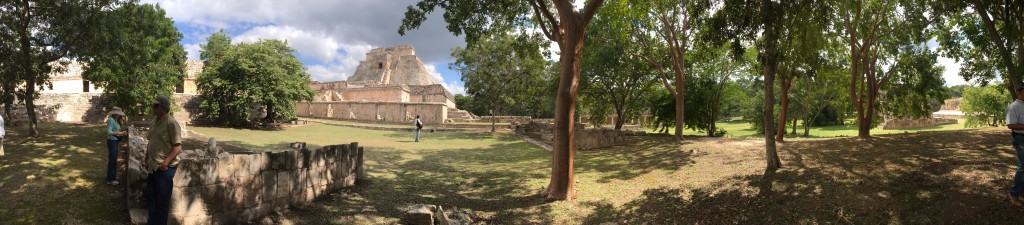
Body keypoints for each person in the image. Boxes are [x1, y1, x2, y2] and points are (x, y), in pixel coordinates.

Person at [145, 96, 182, 225]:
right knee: (151, 199)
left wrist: (165, 163)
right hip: (152, 167)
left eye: (154, 106)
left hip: (164, 170)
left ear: (161, 107)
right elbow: (151, 142)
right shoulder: (154, 122)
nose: (152, 108)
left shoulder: (171, 123)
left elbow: (177, 147)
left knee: (162, 203)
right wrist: (146, 159)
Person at [1006, 83, 1024, 206]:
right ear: (1019, 92)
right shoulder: (1013, 107)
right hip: (1020, 139)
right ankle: (1013, 193)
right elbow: (1010, 125)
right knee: (1023, 167)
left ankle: (1021, 192)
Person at [105, 107, 127, 185]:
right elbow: (109, 131)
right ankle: (110, 180)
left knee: (114, 159)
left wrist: (120, 132)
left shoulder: (115, 120)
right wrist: (120, 133)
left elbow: (115, 130)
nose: (119, 115)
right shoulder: (111, 120)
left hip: (115, 140)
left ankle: (112, 176)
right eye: (118, 113)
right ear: (115, 113)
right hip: (112, 141)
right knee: (113, 160)